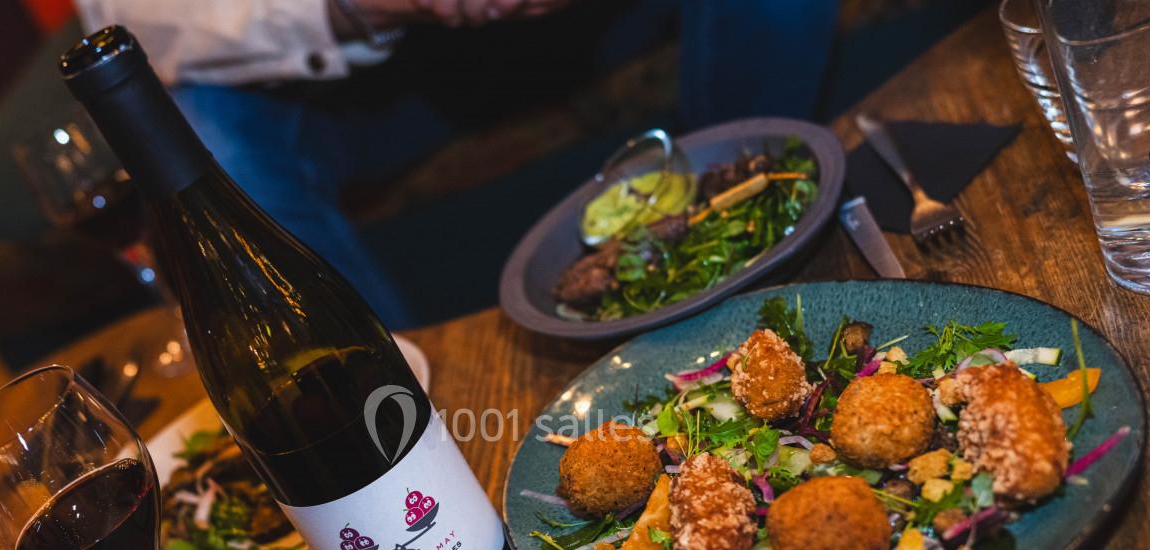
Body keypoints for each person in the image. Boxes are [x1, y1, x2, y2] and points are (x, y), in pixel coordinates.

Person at [76, 0, 839, 328]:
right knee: (196, 126)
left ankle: (761, 238)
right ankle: (398, 423)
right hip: (370, 79)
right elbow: (128, 16)